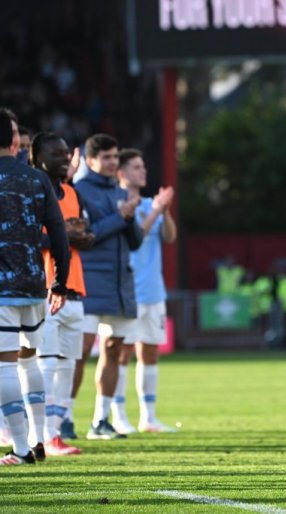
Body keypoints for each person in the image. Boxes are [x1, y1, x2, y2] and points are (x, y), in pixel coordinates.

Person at [0, 108, 70, 465]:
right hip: (34, 285)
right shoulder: (38, 179)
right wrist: (60, 282)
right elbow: (59, 235)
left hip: (2, 289)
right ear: (15, 140)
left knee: (5, 366)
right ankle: (39, 439)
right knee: (29, 361)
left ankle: (20, 448)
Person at [71, 133, 143, 440]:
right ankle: (63, 418)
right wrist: (120, 216)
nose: (113, 162)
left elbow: (135, 242)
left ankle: (101, 420)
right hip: (89, 283)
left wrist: (129, 217)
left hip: (119, 284)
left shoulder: (119, 191)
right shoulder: (78, 192)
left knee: (113, 351)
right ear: (90, 160)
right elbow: (85, 237)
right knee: (79, 353)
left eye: (115, 156)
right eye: (106, 157)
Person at [32, 132, 94, 456]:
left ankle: (54, 434)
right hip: (46, 289)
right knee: (46, 364)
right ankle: (40, 434)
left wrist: (82, 237)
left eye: (66, 154)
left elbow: (84, 231)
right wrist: (63, 236)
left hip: (75, 289)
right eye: (56, 154)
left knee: (69, 364)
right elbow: (27, 237)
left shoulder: (72, 192)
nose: (65, 159)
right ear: (38, 158)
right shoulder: (33, 191)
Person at [111, 148, 178, 434]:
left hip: (153, 291)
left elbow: (169, 237)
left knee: (149, 352)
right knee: (121, 353)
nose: (143, 171)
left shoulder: (152, 204)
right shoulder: (117, 203)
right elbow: (136, 236)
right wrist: (155, 210)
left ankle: (148, 417)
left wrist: (165, 210)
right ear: (121, 173)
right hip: (127, 291)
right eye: (137, 167)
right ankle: (118, 415)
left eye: (143, 166)